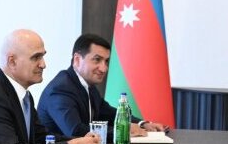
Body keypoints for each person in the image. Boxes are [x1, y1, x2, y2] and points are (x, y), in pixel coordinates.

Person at [0, 29, 100, 144]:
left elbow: (40, 137)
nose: (43, 65)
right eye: (36, 57)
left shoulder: (24, 95)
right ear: (12, 62)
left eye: (43, 56)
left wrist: (79, 141)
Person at [37, 33, 167, 138]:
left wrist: (142, 124)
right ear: (77, 59)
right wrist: (123, 130)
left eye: (106, 61)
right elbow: (76, 131)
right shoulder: (60, 89)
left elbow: (110, 114)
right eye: (97, 60)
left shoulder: (88, 85)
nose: (104, 69)